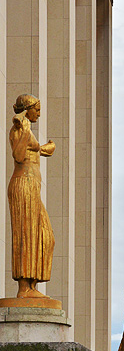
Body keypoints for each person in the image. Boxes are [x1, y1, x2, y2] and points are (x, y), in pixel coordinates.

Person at [8, 94, 56, 298]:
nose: (39, 112)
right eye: (36, 109)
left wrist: (47, 148)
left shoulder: (26, 129)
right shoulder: (19, 128)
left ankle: (32, 285)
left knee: (45, 237)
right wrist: (26, 131)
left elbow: (35, 151)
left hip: (31, 187)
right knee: (27, 234)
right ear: (27, 109)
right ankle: (24, 288)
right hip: (23, 185)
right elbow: (19, 156)